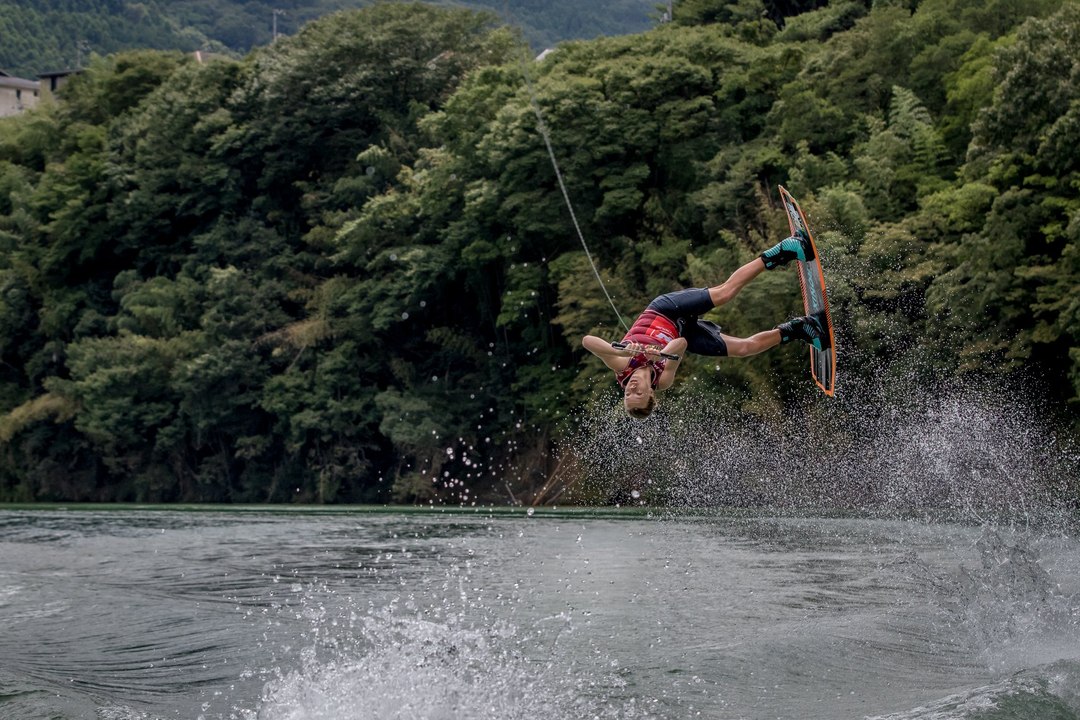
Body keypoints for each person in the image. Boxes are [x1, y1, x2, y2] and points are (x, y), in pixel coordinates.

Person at [581, 233, 827, 419]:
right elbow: (681, 344)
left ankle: (784, 249)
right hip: (682, 332)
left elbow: (588, 342)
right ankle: (800, 328)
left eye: (627, 394)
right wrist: (659, 352)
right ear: (651, 394)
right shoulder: (662, 381)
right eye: (638, 395)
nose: (631, 389)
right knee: (744, 349)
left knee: (723, 294)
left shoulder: (623, 367)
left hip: (665, 310)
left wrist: (622, 351)